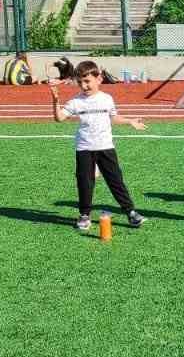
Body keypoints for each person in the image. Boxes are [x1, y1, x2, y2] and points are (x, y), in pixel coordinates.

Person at [48, 60, 147, 233]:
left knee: (116, 181)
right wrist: (55, 100)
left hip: (105, 147)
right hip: (84, 148)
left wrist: (130, 121)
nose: (84, 86)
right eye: (80, 82)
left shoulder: (107, 99)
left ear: (98, 79)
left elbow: (113, 118)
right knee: (85, 182)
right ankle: (85, 215)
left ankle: (130, 212)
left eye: (87, 81)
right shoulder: (76, 102)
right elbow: (59, 118)